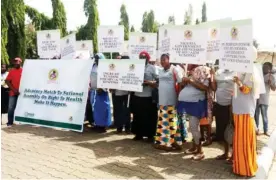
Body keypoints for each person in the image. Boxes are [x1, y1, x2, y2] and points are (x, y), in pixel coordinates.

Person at [154, 54, 187, 151]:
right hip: (162, 100)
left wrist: (179, 97)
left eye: (164, 59)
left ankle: (167, 143)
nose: (162, 62)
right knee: (163, 121)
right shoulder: (160, 71)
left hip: (171, 99)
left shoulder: (174, 69)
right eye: (161, 60)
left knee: (171, 121)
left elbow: (181, 82)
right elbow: (159, 84)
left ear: (169, 60)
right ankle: (175, 142)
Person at [177, 65, 210, 161]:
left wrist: (191, 81)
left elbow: (204, 87)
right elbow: (185, 86)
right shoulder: (190, 70)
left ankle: (200, 152)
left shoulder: (204, 70)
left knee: (194, 127)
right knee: (192, 127)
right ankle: (195, 147)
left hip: (197, 103)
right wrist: (184, 81)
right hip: (189, 103)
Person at [232, 72, 258, 177]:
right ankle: (239, 167)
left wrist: (239, 83)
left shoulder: (251, 73)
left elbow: (247, 90)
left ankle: (247, 169)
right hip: (238, 110)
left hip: (245, 112)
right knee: (239, 140)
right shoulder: (239, 70)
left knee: (245, 140)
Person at [131, 51, 158, 141]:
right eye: (141, 57)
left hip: (148, 96)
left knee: (149, 116)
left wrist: (149, 83)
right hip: (137, 95)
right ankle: (138, 134)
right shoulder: (135, 67)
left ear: (148, 58)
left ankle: (150, 135)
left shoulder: (152, 68)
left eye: (144, 57)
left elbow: (158, 81)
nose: (143, 59)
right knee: (138, 116)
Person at [210, 68, 235, 160]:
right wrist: (212, 75)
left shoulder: (236, 71)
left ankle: (234, 155)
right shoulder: (219, 72)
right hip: (220, 104)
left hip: (231, 106)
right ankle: (226, 153)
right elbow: (214, 88)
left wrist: (233, 104)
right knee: (222, 129)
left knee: (232, 130)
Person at [90, 53, 112, 133]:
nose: (96, 60)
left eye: (98, 59)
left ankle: (103, 126)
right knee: (95, 109)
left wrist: (102, 88)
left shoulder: (105, 67)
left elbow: (108, 78)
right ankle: (97, 124)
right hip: (94, 90)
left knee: (103, 109)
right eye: (95, 59)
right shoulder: (93, 66)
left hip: (102, 92)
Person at [255, 62, 276, 136]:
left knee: (264, 116)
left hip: (264, 99)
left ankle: (265, 130)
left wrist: (270, 83)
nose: (265, 68)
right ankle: (256, 130)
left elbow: (274, 89)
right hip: (257, 98)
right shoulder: (258, 75)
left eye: (267, 67)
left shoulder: (271, 77)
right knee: (256, 115)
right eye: (264, 66)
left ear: (270, 69)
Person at [112, 55, 131, 133]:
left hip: (127, 93)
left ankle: (127, 128)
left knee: (127, 111)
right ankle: (119, 127)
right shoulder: (116, 69)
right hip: (117, 93)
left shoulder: (131, 70)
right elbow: (111, 78)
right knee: (118, 110)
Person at [5, 58, 23, 127]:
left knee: (21, 107)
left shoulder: (24, 71)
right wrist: (14, 90)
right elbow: (7, 81)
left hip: (22, 93)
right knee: (11, 107)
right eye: (15, 63)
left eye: (17, 63)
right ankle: (9, 122)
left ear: (20, 63)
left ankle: (19, 121)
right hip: (13, 92)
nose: (16, 64)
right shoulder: (11, 71)